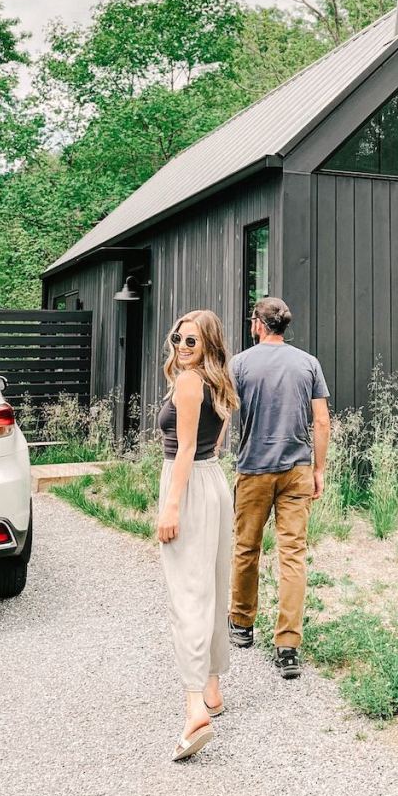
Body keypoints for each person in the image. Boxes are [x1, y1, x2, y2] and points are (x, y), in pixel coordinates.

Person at [228, 296, 330, 679]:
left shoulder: (240, 363)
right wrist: (318, 469)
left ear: (258, 323)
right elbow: (321, 422)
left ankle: (241, 623)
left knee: (246, 547)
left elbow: (224, 412)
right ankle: (287, 646)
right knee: (293, 556)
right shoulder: (308, 363)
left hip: (254, 469)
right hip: (297, 469)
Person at [156, 309, 237, 761]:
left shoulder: (189, 383)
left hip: (186, 484)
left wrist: (170, 504)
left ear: (208, 344)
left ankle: (194, 709)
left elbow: (185, 447)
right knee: (210, 585)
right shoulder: (219, 382)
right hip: (213, 483)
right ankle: (212, 690)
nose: (183, 349)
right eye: (178, 340)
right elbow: (214, 441)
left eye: (192, 342)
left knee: (187, 594)